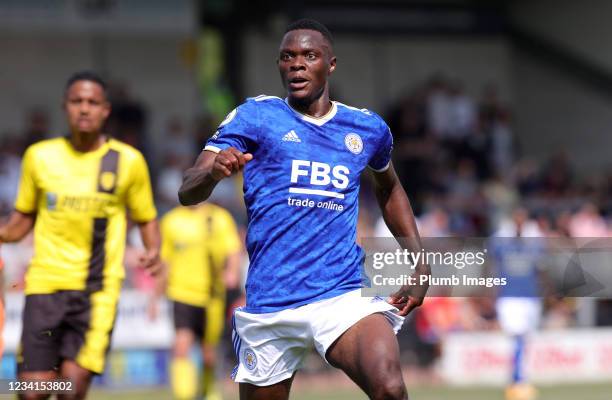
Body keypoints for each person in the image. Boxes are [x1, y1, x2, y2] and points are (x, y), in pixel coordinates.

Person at [179, 19, 428, 400]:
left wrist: (420, 261)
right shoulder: (256, 117)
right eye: (287, 57)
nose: (297, 64)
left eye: (309, 56)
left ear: (330, 64)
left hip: (341, 294)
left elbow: (389, 189)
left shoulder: (365, 128)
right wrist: (212, 173)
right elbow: (188, 189)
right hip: (271, 303)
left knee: (390, 388)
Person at [0, 71, 161, 400]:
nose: (84, 109)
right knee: (31, 391)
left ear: (105, 110)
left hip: (97, 292)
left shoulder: (127, 161)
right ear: (65, 107)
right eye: (77, 102)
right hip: (45, 286)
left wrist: (153, 250)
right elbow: (21, 222)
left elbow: (146, 218)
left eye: (92, 102)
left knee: (71, 389)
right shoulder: (40, 157)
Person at [152, 202, 242, 400]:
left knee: (208, 352)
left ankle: (209, 391)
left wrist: (232, 272)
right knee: (181, 345)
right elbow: (165, 260)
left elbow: (233, 249)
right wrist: (154, 297)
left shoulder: (219, 217)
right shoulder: (171, 221)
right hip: (181, 293)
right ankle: (185, 395)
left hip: (212, 296)